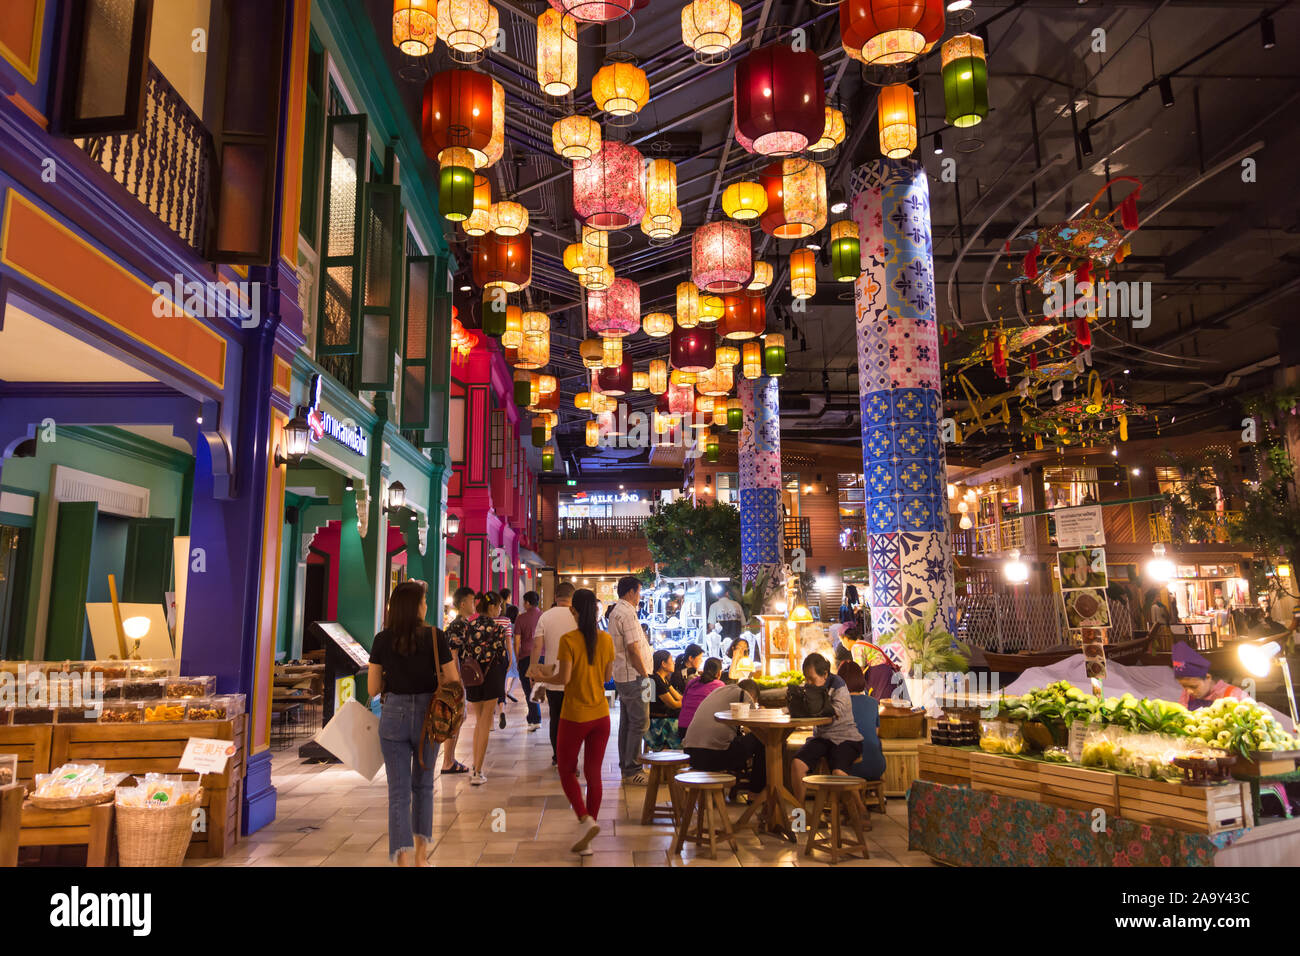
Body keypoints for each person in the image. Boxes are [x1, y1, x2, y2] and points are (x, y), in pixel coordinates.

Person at [367, 580, 458, 866]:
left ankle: (401, 860)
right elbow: (453, 681)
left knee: (398, 792)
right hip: (428, 718)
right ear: (416, 606)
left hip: (393, 716)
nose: (427, 605)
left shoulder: (382, 639)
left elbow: (372, 689)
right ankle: (422, 857)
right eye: (424, 601)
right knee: (423, 788)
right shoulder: (435, 636)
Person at [532, 589, 614, 856]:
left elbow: (564, 679)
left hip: (575, 715)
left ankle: (584, 818)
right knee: (594, 774)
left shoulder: (569, 640)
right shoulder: (606, 640)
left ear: (573, 611)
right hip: (601, 716)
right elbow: (605, 677)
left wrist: (542, 676)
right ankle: (588, 838)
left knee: (567, 770)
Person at [447, 591, 508, 785]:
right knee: (484, 722)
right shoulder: (497, 629)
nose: (499, 609)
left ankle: (476, 765)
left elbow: (458, 654)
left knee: (478, 723)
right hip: (492, 678)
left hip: (472, 678)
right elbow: (503, 658)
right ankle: (477, 771)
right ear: (491, 607)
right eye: (498, 606)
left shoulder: (467, 627)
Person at [790, 652, 863, 804]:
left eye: (812, 679)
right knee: (797, 764)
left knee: (839, 772)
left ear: (825, 674)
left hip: (846, 739)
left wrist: (812, 710)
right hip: (822, 738)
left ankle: (860, 810)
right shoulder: (810, 687)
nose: (808, 683)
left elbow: (835, 712)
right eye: (806, 678)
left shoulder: (838, 686)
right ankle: (800, 813)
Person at [682, 678, 765, 796]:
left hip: (691, 754)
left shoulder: (719, 691)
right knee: (763, 739)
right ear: (752, 695)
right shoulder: (743, 694)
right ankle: (756, 792)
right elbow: (758, 727)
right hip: (712, 756)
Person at [609, 575, 653, 785]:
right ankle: (633, 769)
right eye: (639, 592)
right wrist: (645, 674)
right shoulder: (626, 613)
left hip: (625, 675)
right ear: (630, 592)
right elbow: (633, 648)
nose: (640, 596)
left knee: (628, 723)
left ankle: (627, 767)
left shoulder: (619, 611)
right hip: (634, 675)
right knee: (640, 722)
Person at [527, 582, 578, 764]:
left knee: (555, 717)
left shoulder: (545, 616)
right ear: (572, 597)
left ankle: (558, 757)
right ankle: (571, 757)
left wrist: (533, 671)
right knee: (572, 719)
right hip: (575, 675)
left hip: (552, 676)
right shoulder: (577, 616)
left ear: (556, 597)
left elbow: (537, 646)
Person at [437, 586, 474, 776]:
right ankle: (448, 761)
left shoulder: (461, 624)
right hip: (454, 678)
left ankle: (449, 759)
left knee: (459, 716)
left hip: (455, 677)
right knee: (456, 717)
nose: (474, 604)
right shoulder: (459, 625)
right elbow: (453, 653)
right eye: (471, 600)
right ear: (462, 603)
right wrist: (457, 679)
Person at [837, 662, 886, 782]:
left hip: (849, 769)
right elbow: (874, 733)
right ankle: (869, 792)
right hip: (876, 766)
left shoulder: (838, 704)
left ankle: (847, 799)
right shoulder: (873, 702)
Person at [1172, 641, 1249, 711]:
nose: (1189, 691)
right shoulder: (1187, 695)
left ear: (1208, 677)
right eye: (1184, 686)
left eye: (1194, 686)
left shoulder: (1234, 695)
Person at [514, 591, 543, 732]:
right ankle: (534, 717)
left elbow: (517, 642)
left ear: (527, 603)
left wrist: (517, 658)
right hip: (542, 657)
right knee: (538, 687)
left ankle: (535, 718)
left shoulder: (521, 618)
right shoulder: (543, 616)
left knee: (528, 688)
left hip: (526, 656)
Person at [645, 649, 682, 751]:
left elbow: (678, 697)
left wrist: (688, 700)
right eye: (671, 660)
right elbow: (673, 704)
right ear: (663, 664)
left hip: (662, 717)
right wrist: (690, 703)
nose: (674, 662)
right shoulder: (655, 680)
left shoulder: (662, 678)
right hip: (657, 723)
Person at [677, 657, 725, 733]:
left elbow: (683, 701)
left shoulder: (692, 682)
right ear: (719, 673)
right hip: (699, 730)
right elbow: (723, 709)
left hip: (682, 727)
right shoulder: (719, 685)